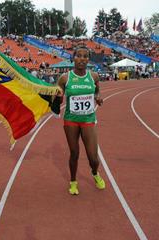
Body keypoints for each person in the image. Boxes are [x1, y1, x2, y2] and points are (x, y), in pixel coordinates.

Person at [56, 46, 105, 195]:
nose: (82, 59)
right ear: (73, 58)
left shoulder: (94, 76)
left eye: (85, 56)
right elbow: (58, 100)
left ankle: (95, 173)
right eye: (79, 56)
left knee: (93, 157)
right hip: (71, 120)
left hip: (89, 119)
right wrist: (58, 97)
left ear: (88, 59)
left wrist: (97, 97)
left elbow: (97, 90)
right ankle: (73, 181)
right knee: (74, 153)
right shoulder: (65, 78)